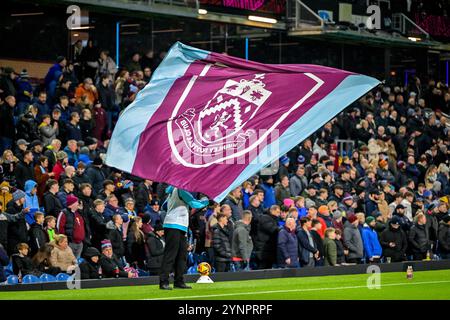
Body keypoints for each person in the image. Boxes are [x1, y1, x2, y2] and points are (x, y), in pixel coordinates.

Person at [159, 186, 208, 290]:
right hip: (174, 225)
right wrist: (206, 200)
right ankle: (164, 281)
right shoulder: (181, 189)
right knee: (170, 255)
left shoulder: (172, 190)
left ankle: (179, 281)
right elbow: (194, 203)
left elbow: (164, 206)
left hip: (179, 225)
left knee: (182, 255)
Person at [253, 205, 280, 270]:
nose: (278, 214)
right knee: (263, 267)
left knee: (268, 267)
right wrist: (282, 229)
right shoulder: (265, 218)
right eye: (277, 212)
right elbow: (272, 229)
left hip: (268, 248)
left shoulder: (272, 219)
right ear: (272, 211)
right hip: (264, 248)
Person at [6, 190, 29, 255]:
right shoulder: (10, 210)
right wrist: (20, 235)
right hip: (14, 242)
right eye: (23, 197)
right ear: (18, 198)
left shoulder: (21, 209)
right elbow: (10, 226)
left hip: (22, 240)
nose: (25, 199)